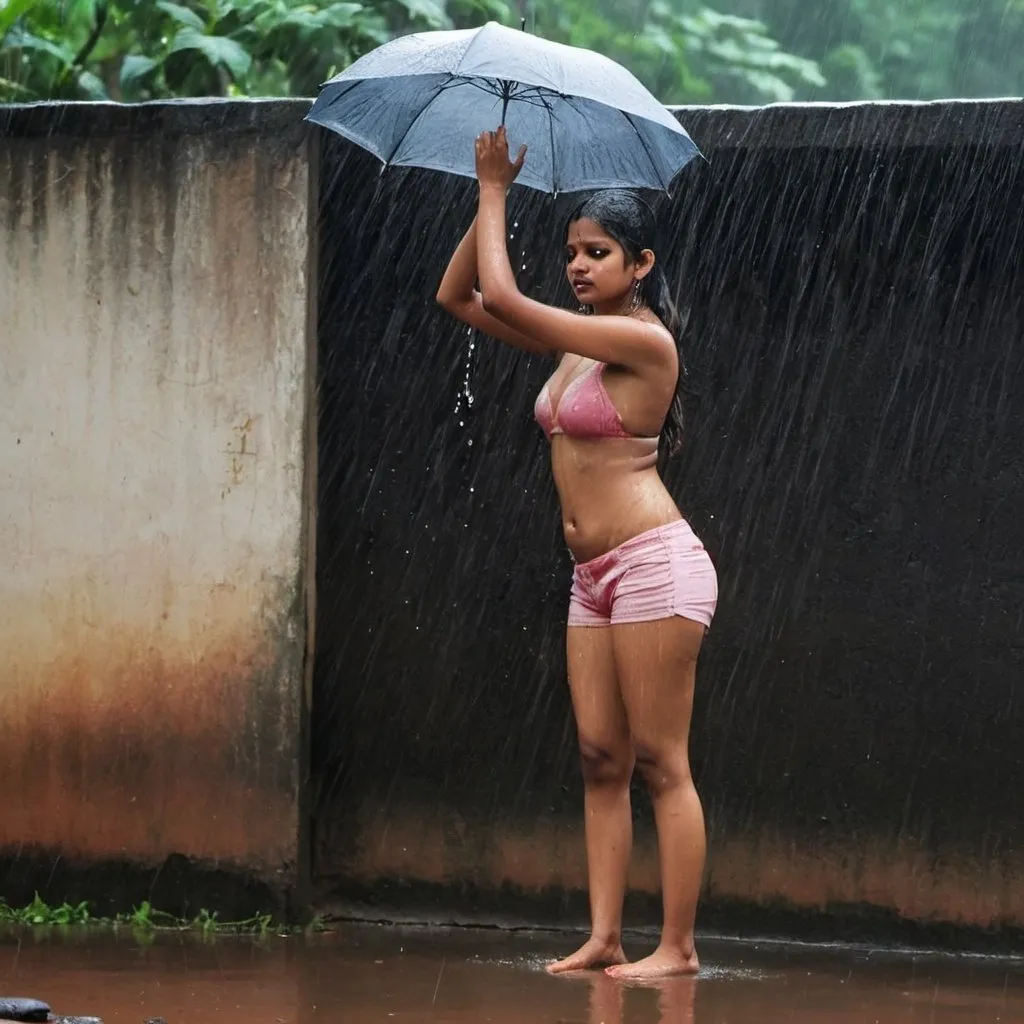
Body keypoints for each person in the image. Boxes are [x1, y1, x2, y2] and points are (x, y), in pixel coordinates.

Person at [436, 126, 718, 981]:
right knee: (600, 757)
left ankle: (677, 947)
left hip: (653, 564)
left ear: (641, 264)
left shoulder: (644, 343)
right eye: (571, 252)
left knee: (661, 762)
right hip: (590, 577)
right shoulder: (575, 342)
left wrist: (494, 191)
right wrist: (490, 199)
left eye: (598, 253)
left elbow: (510, 302)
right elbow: (462, 297)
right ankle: (604, 936)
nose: (579, 266)